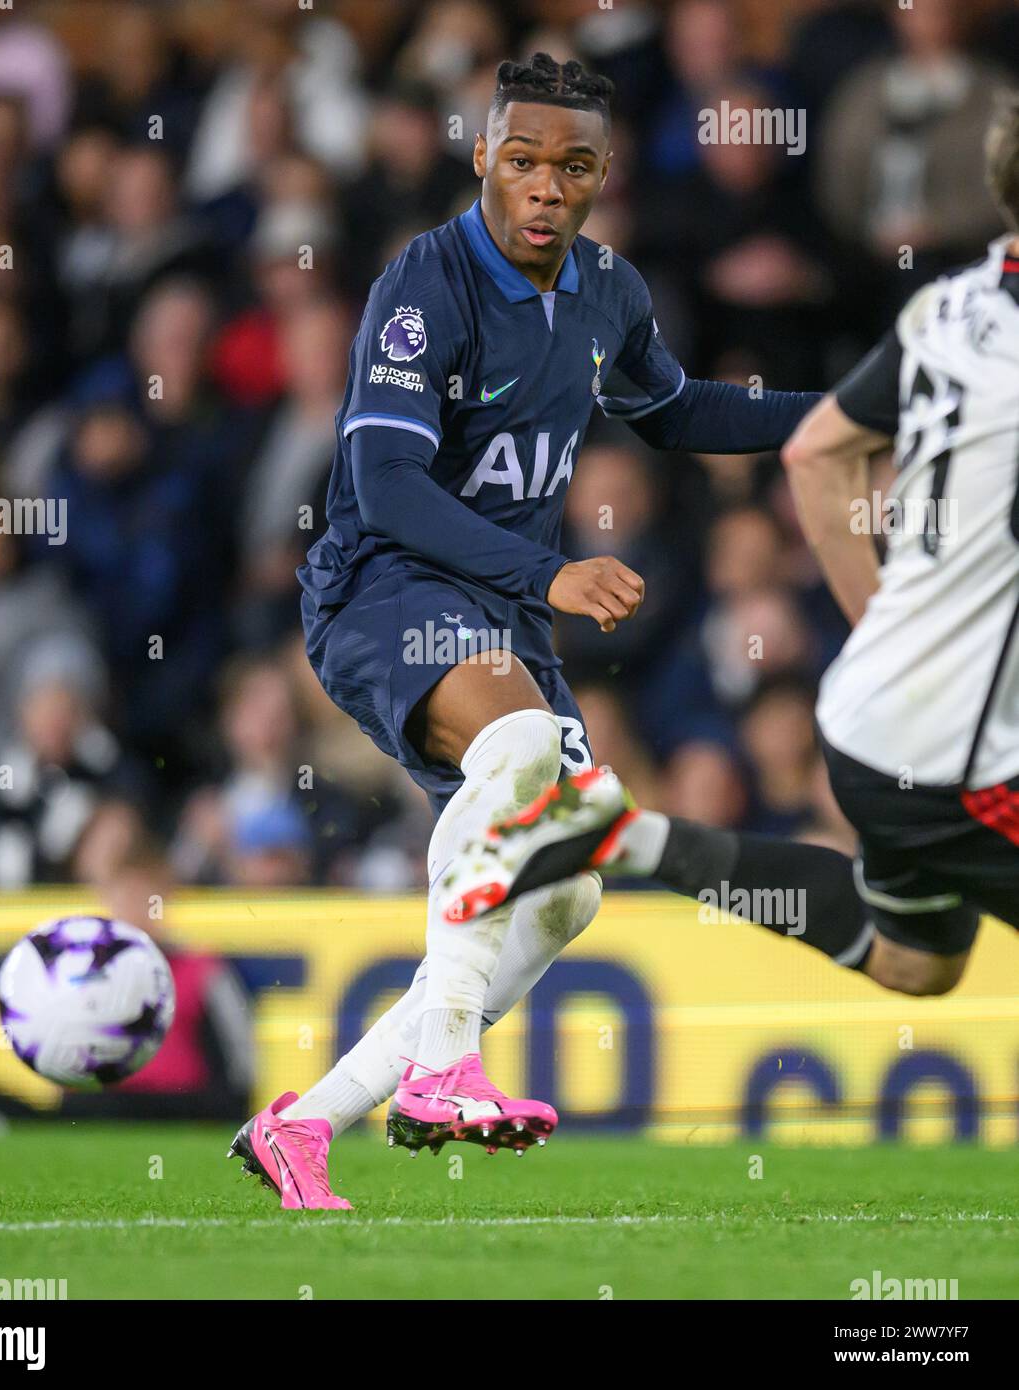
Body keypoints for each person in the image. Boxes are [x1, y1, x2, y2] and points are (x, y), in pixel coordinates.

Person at [228, 54, 820, 1210]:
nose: (547, 187)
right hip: (386, 586)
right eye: (524, 160)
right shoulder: (423, 284)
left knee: (567, 882)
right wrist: (549, 574)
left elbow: (682, 406)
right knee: (519, 754)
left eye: (575, 166)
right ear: (484, 160)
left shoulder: (608, 290)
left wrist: (839, 414)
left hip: (496, 607)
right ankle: (444, 1067)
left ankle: (304, 1124)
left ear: (604, 176)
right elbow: (388, 485)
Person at [444, 93, 1019, 1014]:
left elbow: (816, 449)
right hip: (961, 744)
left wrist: (879, 631)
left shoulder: (946, 309)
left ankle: (630, 838)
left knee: (916, 960)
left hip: (880, 716)